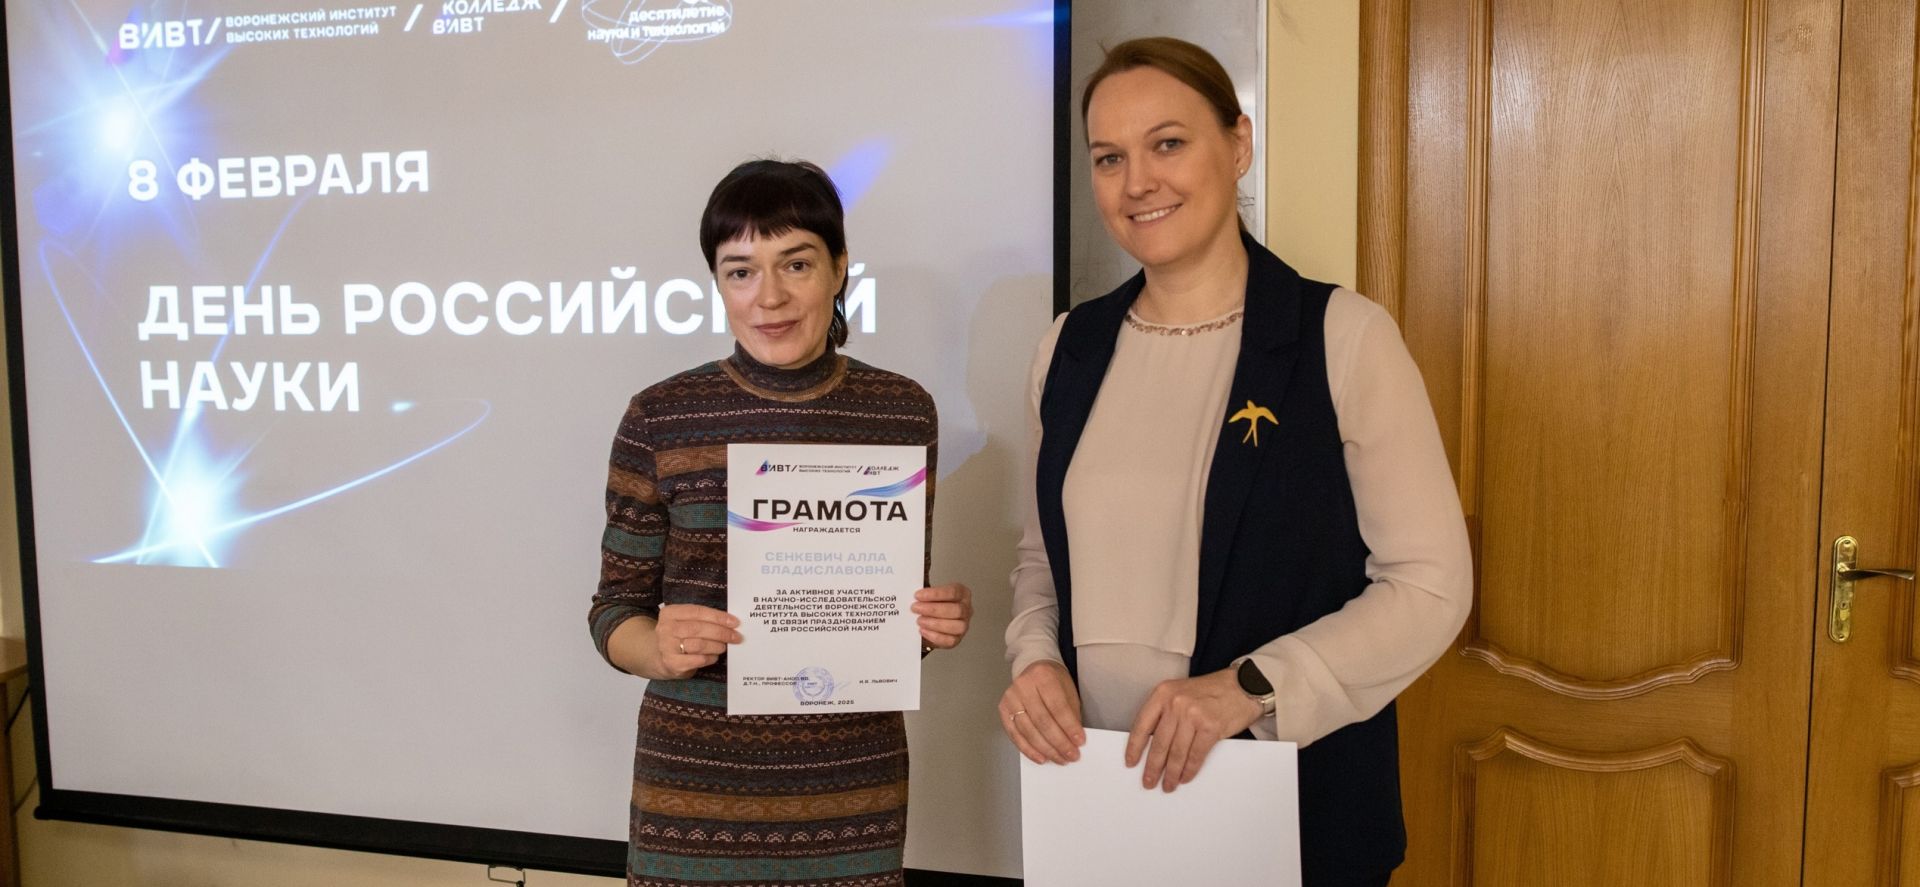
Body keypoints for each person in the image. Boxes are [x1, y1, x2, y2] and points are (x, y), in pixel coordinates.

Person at [1000, 37, 1472, 887]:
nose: (1138, 181)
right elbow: (1042, 561)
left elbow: (1430, 585)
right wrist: (1032, 657)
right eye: (1109, 158)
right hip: (1101, 805)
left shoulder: (1344, 337)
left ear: (1239, 143)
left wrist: (1250, 686)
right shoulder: (1066, 349)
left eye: (1168, 143)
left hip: (1290, 811)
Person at [590, 159, 974, 887]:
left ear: (839, 268)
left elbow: (885, 619)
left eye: (795, 264)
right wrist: (659, 650)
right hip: (694, 795)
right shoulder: (661, 416)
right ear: (718, 283)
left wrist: (928, 624)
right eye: (740, 271)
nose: (768, 296)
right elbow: (612, 612)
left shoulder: (900, 412)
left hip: (849, 794)